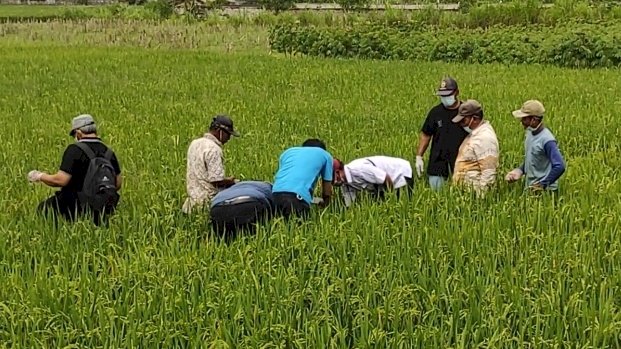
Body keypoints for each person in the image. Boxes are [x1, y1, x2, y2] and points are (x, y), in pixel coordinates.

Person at [27, 114, 122, 226]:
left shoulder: (75, 150)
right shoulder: (109, 152)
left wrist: (39, 176)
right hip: (105, 204)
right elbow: (118, 183)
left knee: (44, 210)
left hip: (77, 204)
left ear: (78, 133)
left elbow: (60, 180)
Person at [415, 76, 469, 191]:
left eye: (448, 95)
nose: (445, 98)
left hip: (461, 163)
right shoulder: (435, 113)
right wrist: (419, 156)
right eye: (442, 96)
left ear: (457, 92)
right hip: (438, 164)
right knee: (437, 195)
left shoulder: (465, 112)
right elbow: (426, 134)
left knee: (460, 196)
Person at [182, 115, 240, 214]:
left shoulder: (194, 143)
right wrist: (231, 181)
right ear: (220, 132)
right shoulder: (214, 149)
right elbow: (216, 180)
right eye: (228, 134)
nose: (229, 138)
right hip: (207, 203)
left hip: (191, 203)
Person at [505, 100, 566, 192]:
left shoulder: (547, 140)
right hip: (531, 189)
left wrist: (542, 184)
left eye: (524, 118)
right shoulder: (530, 133)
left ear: (533, 120)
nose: (521, 121)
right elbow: (533, 158)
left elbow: (560, 166)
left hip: (546, 192)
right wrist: (519, 171)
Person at [271, 138, 334, 220]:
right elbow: (327, 191)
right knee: (301, 230)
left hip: (275, 195)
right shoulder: (325, 155)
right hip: (296, 198)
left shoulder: (288, 152)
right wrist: (326, 205)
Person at [451, 99, 500, 195]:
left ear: (475, 118)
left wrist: (480, 199)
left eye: (464, 120)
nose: (461, 124)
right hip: (465, 193)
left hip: (474, 194)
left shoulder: (485, 138)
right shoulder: (475, 134)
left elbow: (488, 173)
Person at [332, 155, 414, 207]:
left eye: (334, 178)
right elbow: (349, 204)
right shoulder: (345, 182)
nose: (334, 182)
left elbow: (385, 178)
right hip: (381, 185)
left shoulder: (359, 169)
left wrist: (391, 198)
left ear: (338, 172)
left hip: (400, 174)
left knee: (402, 207)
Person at [209, 180, 274, 241]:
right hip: (249, 203)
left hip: (218, 207)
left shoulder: (226, 190)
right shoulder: (268, 186)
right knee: (253, 236)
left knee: (225, 238)